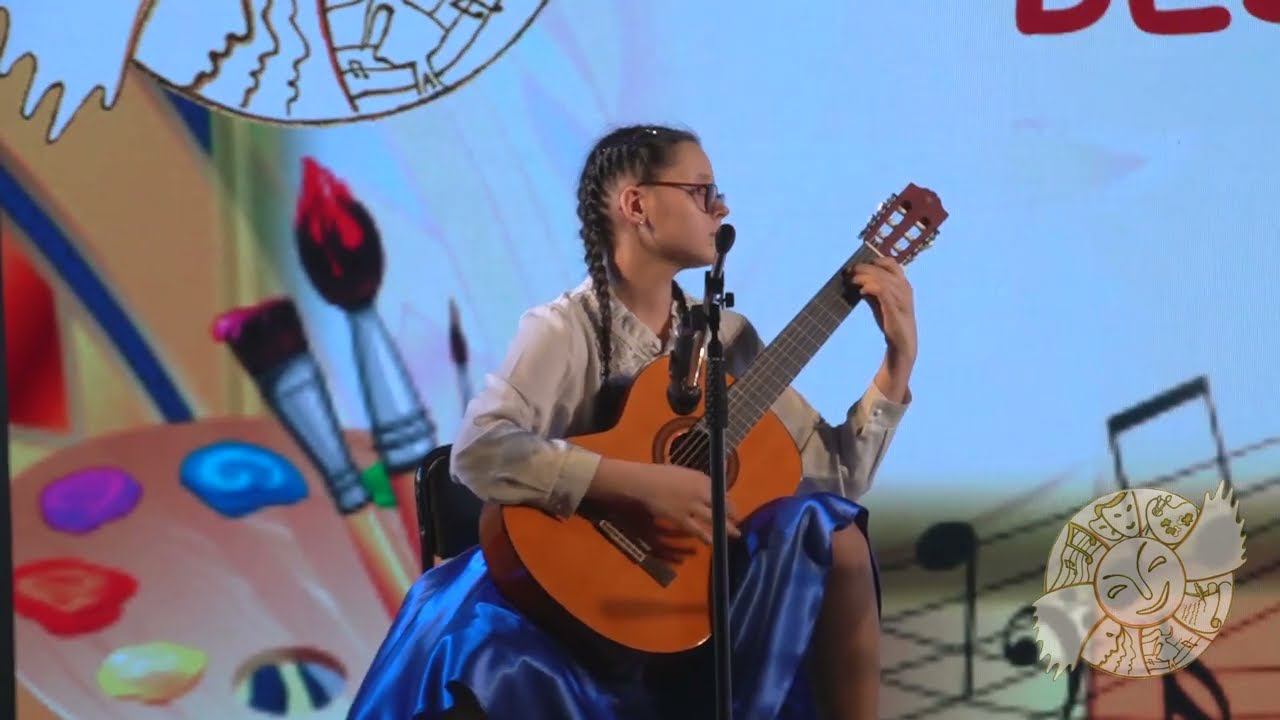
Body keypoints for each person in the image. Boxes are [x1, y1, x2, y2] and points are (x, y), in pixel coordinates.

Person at [347, 124, 917, 720]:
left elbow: (837, 478)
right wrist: (641, 484)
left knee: (834, 530)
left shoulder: (727, 338)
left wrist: (897, 362)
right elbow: (479, 451)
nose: (720, 207)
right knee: (487, 654)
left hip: (686, 606)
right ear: (637, 205)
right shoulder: (563, 329)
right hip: (562, 602)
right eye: (701, 190)